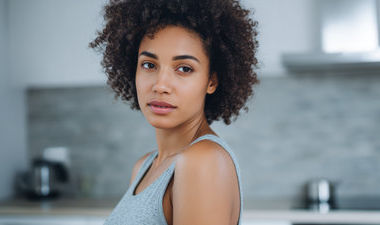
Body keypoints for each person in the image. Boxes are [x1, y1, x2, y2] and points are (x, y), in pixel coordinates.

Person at [90, 0, 258, 224]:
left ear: (211, 81)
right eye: (149, 65)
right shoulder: (144, 166)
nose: (160, 85)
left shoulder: (202, 161)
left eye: (184, 69)